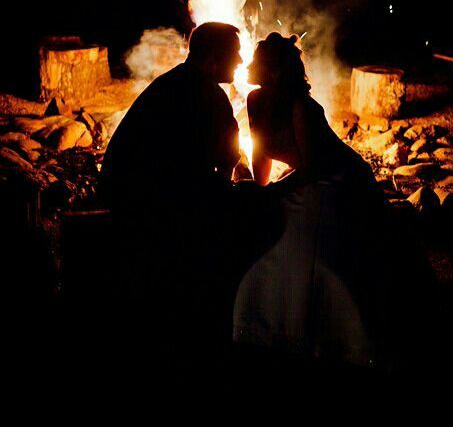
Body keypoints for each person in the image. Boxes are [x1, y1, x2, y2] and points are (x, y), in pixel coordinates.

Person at [99, 22, 283, 365]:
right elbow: (226, 161)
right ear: (212, 58)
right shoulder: (204, 94)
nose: (242, 60)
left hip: (129, 190)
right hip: (146, 202)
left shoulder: (175, 82)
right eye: (235, 53)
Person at [234, 32, 393, 367]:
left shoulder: (301, 107)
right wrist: (259, 191)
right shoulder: (256, 100)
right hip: (303, 179)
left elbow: (312, 167)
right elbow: (261, 152)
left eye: (255, 62)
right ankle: (267, 324)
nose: (247, 65)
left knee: (306, 244)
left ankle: (320, 329)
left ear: (275, 72)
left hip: (336, 179)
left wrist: (274, 193)